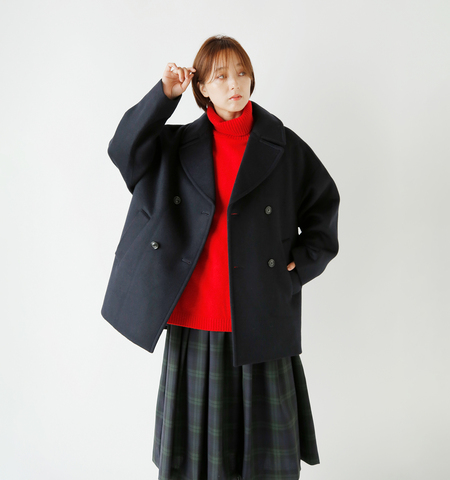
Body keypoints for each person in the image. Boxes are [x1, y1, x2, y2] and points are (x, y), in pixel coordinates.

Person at [101, 35, 340, 480]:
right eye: (221, 76)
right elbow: (123, 150)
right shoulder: (175, 146)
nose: (235, 84)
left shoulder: (284, 147)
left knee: (265, 462)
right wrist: (163, 95)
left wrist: (296, 270)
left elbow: (323, 209)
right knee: (195, 462)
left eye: (242, 73)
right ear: (202, 88)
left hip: (261, 319)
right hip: (196, 321)